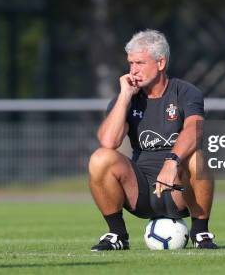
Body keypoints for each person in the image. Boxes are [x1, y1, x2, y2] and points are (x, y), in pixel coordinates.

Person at [88, 29, 218, 250]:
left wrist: (171, 162)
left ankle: (201, 233)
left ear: (160, 63)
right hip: (140, 192)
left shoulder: (185, 92)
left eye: (139, 63)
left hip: (179, 190)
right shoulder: (127, 97)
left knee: (197, 158)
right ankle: (117, 235)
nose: (133, 70)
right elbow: (109, 142)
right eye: (130, 63)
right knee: (100, 158)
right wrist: (124, 97)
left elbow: (194, 130)